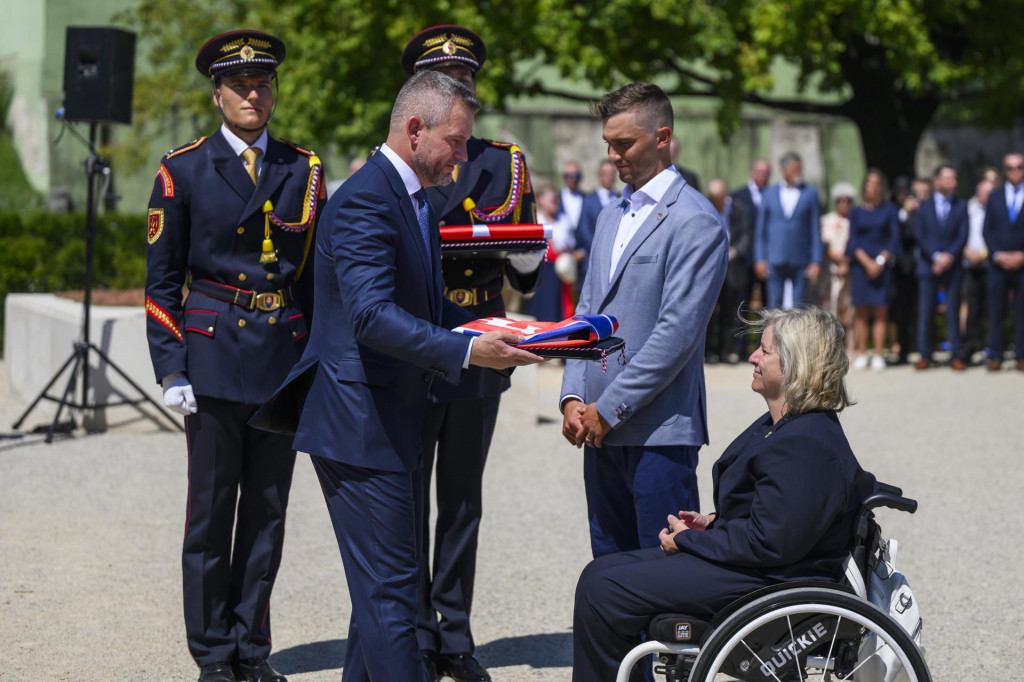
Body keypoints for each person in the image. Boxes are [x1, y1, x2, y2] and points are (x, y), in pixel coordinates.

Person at [261, 70, 543, 682]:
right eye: (457, 141)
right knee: (393, 595)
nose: (465, 157)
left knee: (379, 596)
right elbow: (370, 316)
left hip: (389, 418)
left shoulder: (411, 195)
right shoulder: (367, 199)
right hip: (361, 426)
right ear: (415, 130)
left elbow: (424, 307)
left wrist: (513, 330)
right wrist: (468, 354)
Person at [144, 30, 323, 682]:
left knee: (267, 517)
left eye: (264, 83)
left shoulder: (301, 168)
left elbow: (312, 277)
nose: (254, 94)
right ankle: (215, 656)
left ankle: (254, 650)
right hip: (214, 353)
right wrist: (171, 366)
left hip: (281, 355)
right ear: (217, 94)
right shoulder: (183, 168)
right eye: (241, 85)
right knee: (211, 517)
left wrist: (319, 359)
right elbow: (162, 282)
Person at [571, 306, 876, 682]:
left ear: (797, 363)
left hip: (776, 581)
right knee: (603, 571)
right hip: (765, 568)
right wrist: (711, 523)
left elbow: (770, 542)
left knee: (604, 589)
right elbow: (778, 517)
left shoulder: (805, 442)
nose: (753, 357)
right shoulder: (787, 426)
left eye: (765, 351)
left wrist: (691, 542)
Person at [399, 24, 542, 682]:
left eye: (467, 79)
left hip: (482, 341)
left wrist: (525, 252)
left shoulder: (502, 163)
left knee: (460, 500)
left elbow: (525, 273)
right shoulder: (408, 159)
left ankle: (452, 633)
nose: (461, 88)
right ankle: (408, 632)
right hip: (418, 343)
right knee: (403, 498)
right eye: (446, 80)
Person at [560, 82, 728, 559]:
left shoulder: (696, 220)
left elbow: (676, 334)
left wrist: (608, 407)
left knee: (663, 577)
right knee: (609, 570)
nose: (613, 156)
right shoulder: (611, 216)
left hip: (658, 430)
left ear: (662, 137)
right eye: (608, 144)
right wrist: (573, 395)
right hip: (597, 425)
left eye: (624, 144)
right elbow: (585, 315)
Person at [914, 164, 968, 370]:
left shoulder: (961, 206)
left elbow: (962, 234)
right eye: (948, 178)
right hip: (929, 265)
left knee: (953, 311)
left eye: (954, 178)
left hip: (952, 267)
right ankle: (925, 354)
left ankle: (956, 355)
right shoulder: (924, 206)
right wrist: (936, 256)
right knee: (926, 312)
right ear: (937, 181)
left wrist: (948, 257)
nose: (952, 182)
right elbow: (921, 234)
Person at [753, 152, 823, 309]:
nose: (799, 172)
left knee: (799, 308)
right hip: (774, 258)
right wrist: (759, 258)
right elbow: (761, 230)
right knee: (773, 308)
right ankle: (773, 335)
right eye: (795, 169)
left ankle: (796, 335)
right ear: (784, 170)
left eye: (800, 169)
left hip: (801, 259)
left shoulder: (810, 193)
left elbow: (815, 229)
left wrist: (816, 260)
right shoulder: (769, 193)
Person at [847, 170, 900, 371]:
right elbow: (852, 240)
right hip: (861, 266)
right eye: (869, 182)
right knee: (861, 311)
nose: (873, 186)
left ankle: (878, 353)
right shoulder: (856, 212)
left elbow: (894, 239)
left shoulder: (889, 210)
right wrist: (866, 262)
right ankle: (862, 353)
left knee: (880, 310)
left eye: (877, 183)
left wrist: (879, 261)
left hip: (882, 266)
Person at [983, 152, 1024, 371]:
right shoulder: (995, 196)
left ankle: (1021, 355)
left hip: (1022, 264)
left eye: (1019, 167)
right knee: (996, 311)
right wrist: (998, 254)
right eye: (1010, 167)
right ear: (1005, 170)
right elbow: (987, 230)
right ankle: (996, 355)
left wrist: (1021, 256)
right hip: (998, 265)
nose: (1015, 171)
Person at [705, 178, 751, 364]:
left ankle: (726, 352)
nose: (715, 201)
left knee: (729, 312)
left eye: (718, 197)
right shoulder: (704, 208)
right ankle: (709, 352)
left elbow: (745, 234)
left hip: (732, 269)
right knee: (709, 313)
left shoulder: (738, 210)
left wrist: (735, 251)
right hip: (710, 268)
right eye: (712, 197)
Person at [731, 159, 772, 356]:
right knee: (742, 304)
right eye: (760, 171)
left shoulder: (773, 195)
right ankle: (740, 348)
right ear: (752, 172)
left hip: (767, 260)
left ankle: (766, 347)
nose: (763, 175)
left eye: (767, 172)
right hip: (743, 261)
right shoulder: (738, 196)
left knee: (768, 306)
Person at [818, 182, 855, 344]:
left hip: (851, 271)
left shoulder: (856, 220)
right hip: (830, 272)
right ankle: (829, 345)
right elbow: (824, 246)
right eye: (840, 200)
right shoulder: (826, 220)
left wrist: (846, 263)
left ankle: (851, 348)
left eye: (847, 200)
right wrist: (840, 261)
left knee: (850, 310)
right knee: (828, 309)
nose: (844, 203)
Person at [962, 178, 994, 364]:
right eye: (983, 192)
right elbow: (961, 232)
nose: (986, 196)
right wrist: (967, 251)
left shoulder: (998, 210)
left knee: (993, 310)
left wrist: (983, 254)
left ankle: (992, 348)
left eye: (989, 193)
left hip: (990, 265)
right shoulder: (969, 209)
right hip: (970, 265)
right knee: (971, 309)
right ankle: (969, 348)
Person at [576, 159, 621, 284]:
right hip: (593, 258)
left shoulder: (621, 198)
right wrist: (600, 246)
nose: (610, 177)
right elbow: (583, 229)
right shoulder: (588, 200)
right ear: (599, 176)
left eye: (612, 174)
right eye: (606, 174)